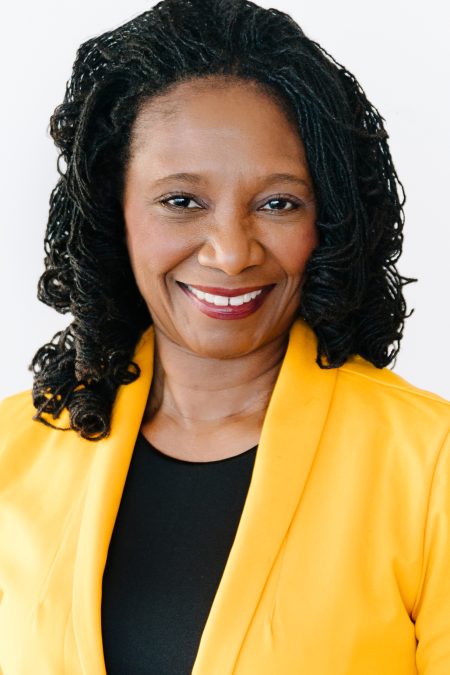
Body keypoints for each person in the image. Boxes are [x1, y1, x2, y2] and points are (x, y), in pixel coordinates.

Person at [0, 0, 449, 673]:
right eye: (181, 201)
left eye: (278, 203)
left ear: (327, 219)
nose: (232, 253)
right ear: (114, 212)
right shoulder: (11, 453)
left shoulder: (431, 463)